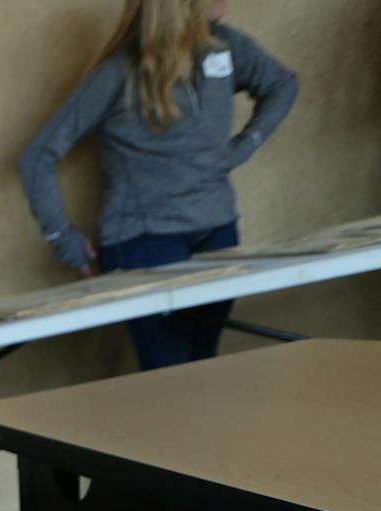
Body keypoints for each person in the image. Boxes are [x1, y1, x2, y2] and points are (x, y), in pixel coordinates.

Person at [18, 0, 297, 371]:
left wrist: (244, 145)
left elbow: (282, 83)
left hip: (217, 231)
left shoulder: (226, 46)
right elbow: (36, 157)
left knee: (203, 368)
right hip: (144, 243)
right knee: (169, 377)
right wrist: (63, 238)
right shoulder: (116, 72)